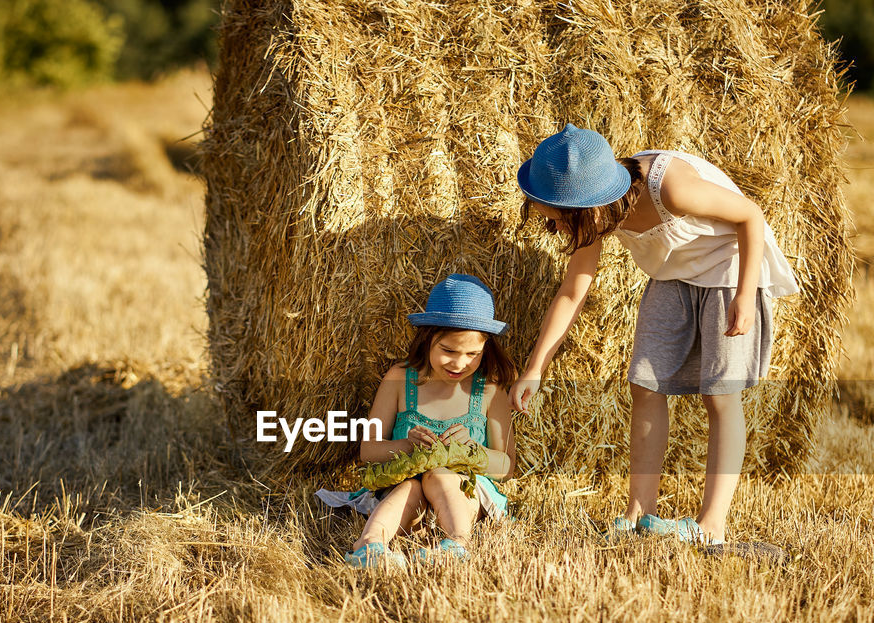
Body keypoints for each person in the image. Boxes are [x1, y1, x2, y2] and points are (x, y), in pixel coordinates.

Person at [512, 125, 799, 545]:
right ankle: (639, 510)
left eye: (557, 218)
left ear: (586, 208)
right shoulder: (596, 210)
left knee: (720, 393)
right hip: (673, 277)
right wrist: (536, 367)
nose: (554, 226)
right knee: (644, 384)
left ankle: (711, 526)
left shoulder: (672, 187)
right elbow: (573, 291)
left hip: (729, 269)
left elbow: (750, 215)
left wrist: (744, 293)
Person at [316, 274, 518, 568]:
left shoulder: (489, 389)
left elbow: (506, 467)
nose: (460, 363)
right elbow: (368, 450)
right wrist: (406, 445)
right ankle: (368, 546)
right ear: (427, 340)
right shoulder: (400, 378)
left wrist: (472, 451)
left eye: (472, 354)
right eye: (448, 351)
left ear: (486, 349)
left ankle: (457, 544)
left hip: (465, 494)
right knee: (411, 487)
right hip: (404, 494)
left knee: (440, 476)